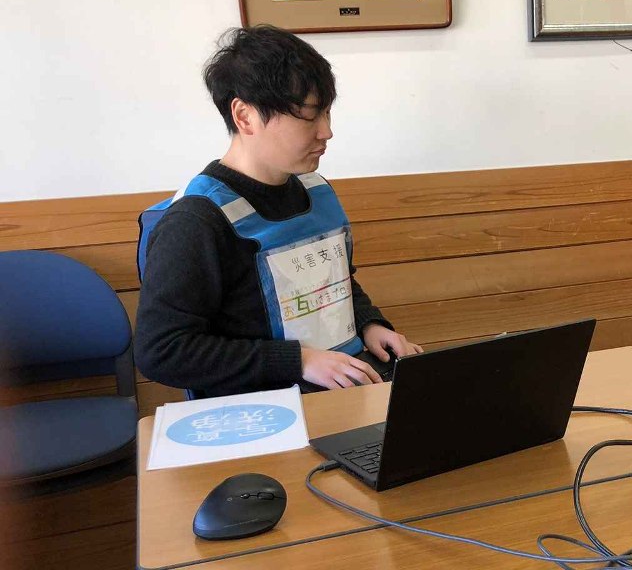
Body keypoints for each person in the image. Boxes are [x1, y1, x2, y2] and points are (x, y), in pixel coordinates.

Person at [135, 25, 422, 398]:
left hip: (343, 383)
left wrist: (370, 324)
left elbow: (334, 284)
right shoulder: (196, 221)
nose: (326, 132)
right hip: (265, 407)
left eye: (327, 113)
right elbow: (161, 351)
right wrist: (298, 360)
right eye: (309, 116)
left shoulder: (315, 190)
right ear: (245, 116)